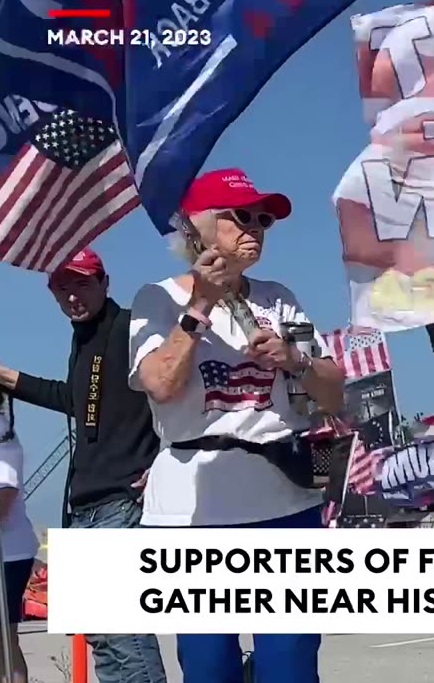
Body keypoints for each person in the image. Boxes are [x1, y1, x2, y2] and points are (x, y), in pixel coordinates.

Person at [128, 169, 345, 683]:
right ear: (195, 227)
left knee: (289, 662)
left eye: (263, 219)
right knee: (207, 666)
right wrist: (200, 302)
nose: (256, 227)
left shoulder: (279, 298)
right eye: (239, 216)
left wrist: (296, 359)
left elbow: (334, 390)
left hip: (282, 500)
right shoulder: (156, 299)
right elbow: (159, 384)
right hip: (190, 510)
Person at [0, 248, 167, 683]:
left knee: (120, 630)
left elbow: (178, 388)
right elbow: (72, 400)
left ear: (105, 283)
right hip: (85, 505)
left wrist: (167, 456)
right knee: (100, 635)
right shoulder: (85, 337)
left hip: (120, 498)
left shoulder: (131, 327)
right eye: (63, 287)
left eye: (83, 284)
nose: (73, 296)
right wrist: (3, 375)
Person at [0, 392, 37, 683]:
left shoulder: (1, 430)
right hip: (11, 550)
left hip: (7, 553)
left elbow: (4, 492)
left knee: (3, 639)